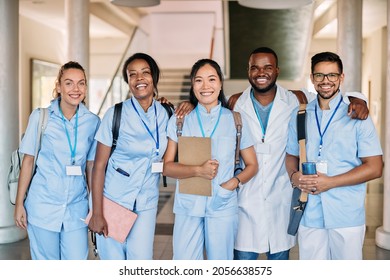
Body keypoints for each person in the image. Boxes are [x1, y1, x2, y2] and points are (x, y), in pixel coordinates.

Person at [230, 47, 370, 260]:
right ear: (248, 70)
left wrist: (359, 99)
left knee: (279, 259)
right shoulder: (235, 102)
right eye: (255, 68)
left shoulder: (296, 98)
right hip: (246, 198)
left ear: (277, 70)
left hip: (282, 197)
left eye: (268, 67)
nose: (261, 73)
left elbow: (328, 93)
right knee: (244, 262)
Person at [285, 51, 383, 260]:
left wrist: (330, 182)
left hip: (346, 213)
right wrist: (294, 177)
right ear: (312, 78)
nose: (325, 81)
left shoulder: (358, 114)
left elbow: (375, 167)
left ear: (341, 78)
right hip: (309, 211)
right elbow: (291, 156)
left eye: (332, 75)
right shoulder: (300, 115)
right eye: (319, 75)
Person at [163, 58, 258, 260]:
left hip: (222, 203)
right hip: (188, 204)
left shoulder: (236, 120)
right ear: (192, 85)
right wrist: (198, 170)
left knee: (220, 265)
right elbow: (167, 167)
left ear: (221, 83)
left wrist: (230, 185)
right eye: (199, 80)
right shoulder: (180, 120)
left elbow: (252, 165)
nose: (205, 86)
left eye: (212, 79)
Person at [14, 61, 101, 260]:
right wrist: (19, 204)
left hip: (76, 208)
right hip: (42, 205)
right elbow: (28, 161)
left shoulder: (93, 122)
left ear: (86, 88)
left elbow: (91, 167)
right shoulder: (41, 117)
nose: (75, 89)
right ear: (59, 87)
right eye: (69, 83)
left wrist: (94, 207)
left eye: (81, 83)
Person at [88, 52, 170, 260]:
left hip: (146, 201)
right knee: (113, 262)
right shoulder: (114, 114)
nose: (139, 78)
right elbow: (98, 166)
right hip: (114, 200)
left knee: (141, 262)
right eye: (132, 74)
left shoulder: (167, 113)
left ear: (154, 77)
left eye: (145, 73)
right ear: (128, 81)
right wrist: (97, 212)